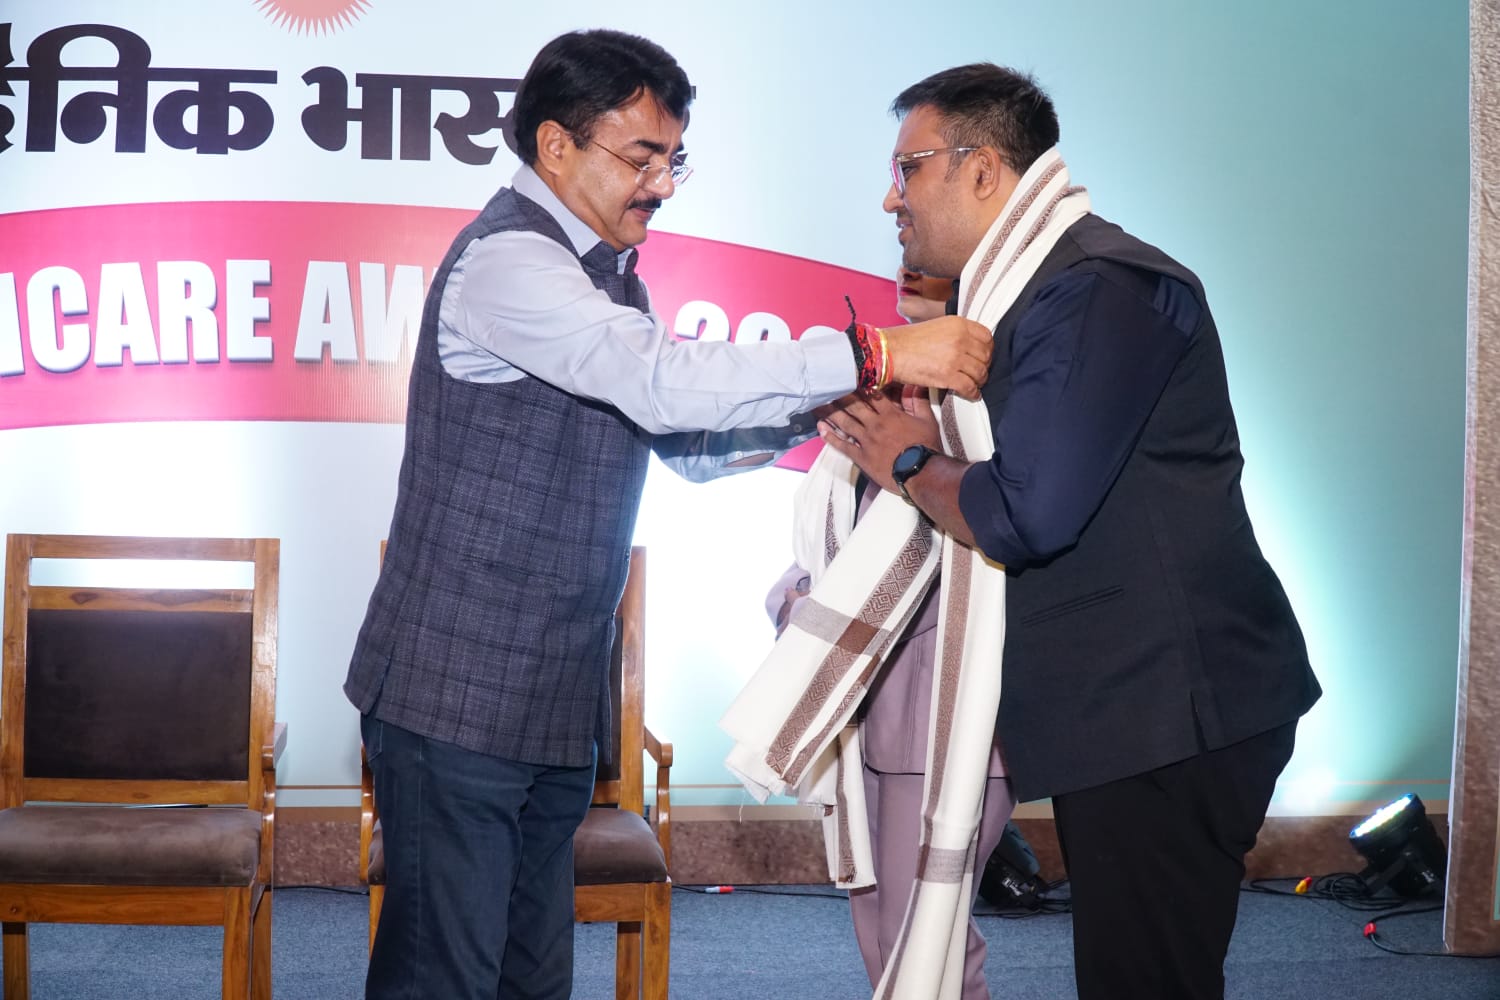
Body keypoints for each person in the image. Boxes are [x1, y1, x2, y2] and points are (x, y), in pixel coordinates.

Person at [341, 29, 992, 1000]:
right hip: (456, 694)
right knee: (445, 979)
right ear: (555, 145)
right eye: (642, 157)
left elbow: (682, 438)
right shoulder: (509, 264)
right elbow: (657, 379)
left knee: (530, 978)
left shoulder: (608, 275)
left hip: (552, 696)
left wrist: (833, 417)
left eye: (673, 159)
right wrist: (879, 354)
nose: (662, 185)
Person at [813, 64, 1323, 1000]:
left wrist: (909, 460)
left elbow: (1028, 512)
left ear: (982, 170)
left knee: (1145, 979)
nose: (892, 198)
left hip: (1170, 710)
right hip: (1135, 709)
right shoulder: (1038, 289)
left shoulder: (1095, 286)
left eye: (908, 168)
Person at [765, 267, 1012, 999]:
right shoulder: (879, 393)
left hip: (947, 711)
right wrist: (798, 603)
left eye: (929, 245)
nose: (909, 253)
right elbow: (826, 551)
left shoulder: (987, 403)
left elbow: (983, 551)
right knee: (883, 935)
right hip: (861, 714)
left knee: (926, 945)